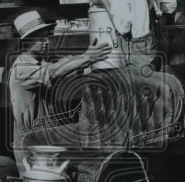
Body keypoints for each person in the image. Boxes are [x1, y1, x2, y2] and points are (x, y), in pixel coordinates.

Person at [8, 10, 111, 168]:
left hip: (46, 133)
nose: (46, 41)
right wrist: (87, 57)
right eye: (40, 37)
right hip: (30, 139)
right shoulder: (21, 68)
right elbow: (53, 72)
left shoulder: (42, 59)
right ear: (26, 42)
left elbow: (66, 64)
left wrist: (88, 59)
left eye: (47, 35)